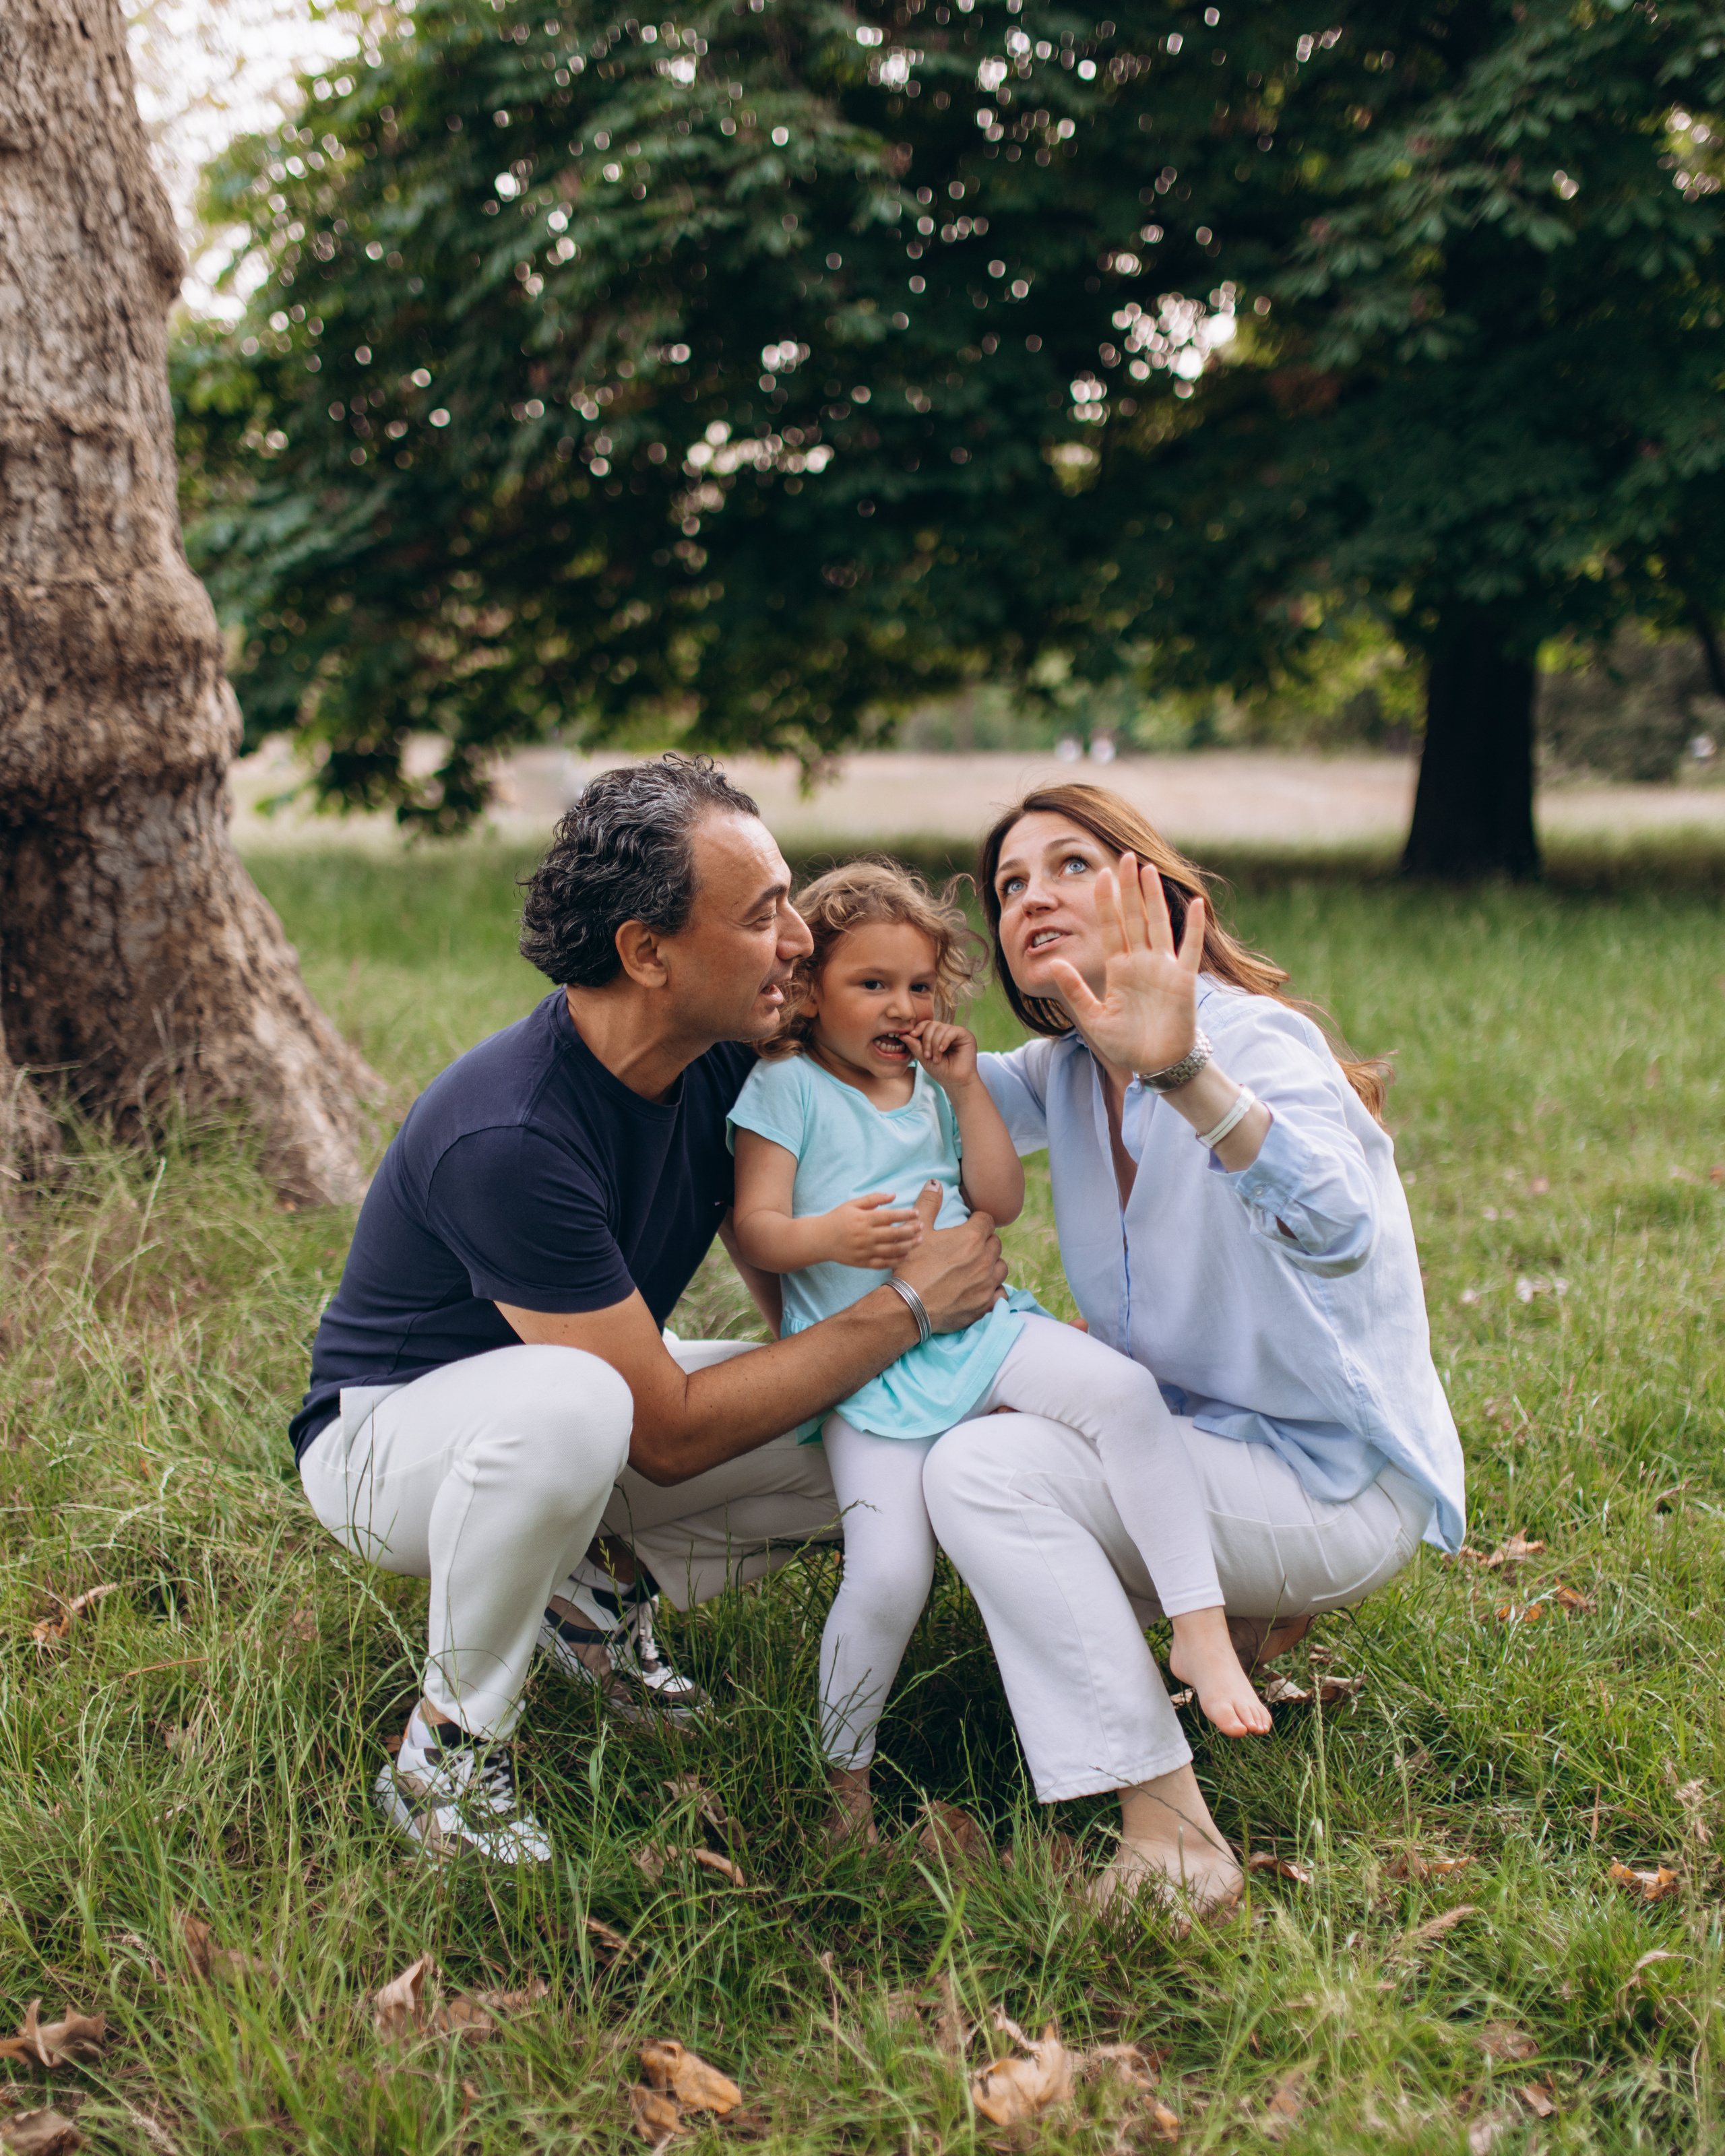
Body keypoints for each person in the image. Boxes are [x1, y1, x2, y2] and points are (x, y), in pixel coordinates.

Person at [291, 756, 1006, 1864]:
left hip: (584, 1401)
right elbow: (664, 1434)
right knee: (585, 1403)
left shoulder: (722, 1062)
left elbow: (776, 1275)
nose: (798, 940)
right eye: (763, 913)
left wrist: (870, 1351)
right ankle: (450, 1751)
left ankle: (595, 1594)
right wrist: (907, 1310)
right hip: (393, 1447)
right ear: (646, 952)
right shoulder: (514, 1134)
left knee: (889, 1424)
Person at [919, 784, 1466, 1915]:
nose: (1030, 898)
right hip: (1197, 1456)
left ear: (1152, 891)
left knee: (986, 1472)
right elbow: (896, 1109)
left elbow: (1337, 1224)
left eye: (1068, 865)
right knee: (987, 1408)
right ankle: (1215, 1620)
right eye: (1010, 885)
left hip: (1331, 1483)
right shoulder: (1065, 1075)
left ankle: (1174, 1840)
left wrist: (1183, 1074)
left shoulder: (1253, 1041)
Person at [729, 860, 1269, 1846]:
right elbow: (757, 1228)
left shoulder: (928, 1083)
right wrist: (830, 1240)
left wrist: (967, 1087)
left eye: (920, 986)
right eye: (872, 985)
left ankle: (1199, 1628)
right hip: (866, 1376)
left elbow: (999, 1200)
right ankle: (842, 1785)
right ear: (809, 992)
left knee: (1120, 1392)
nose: (903, 1007)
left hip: (977, 1328)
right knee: (889, 1574)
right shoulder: (786, 1088)